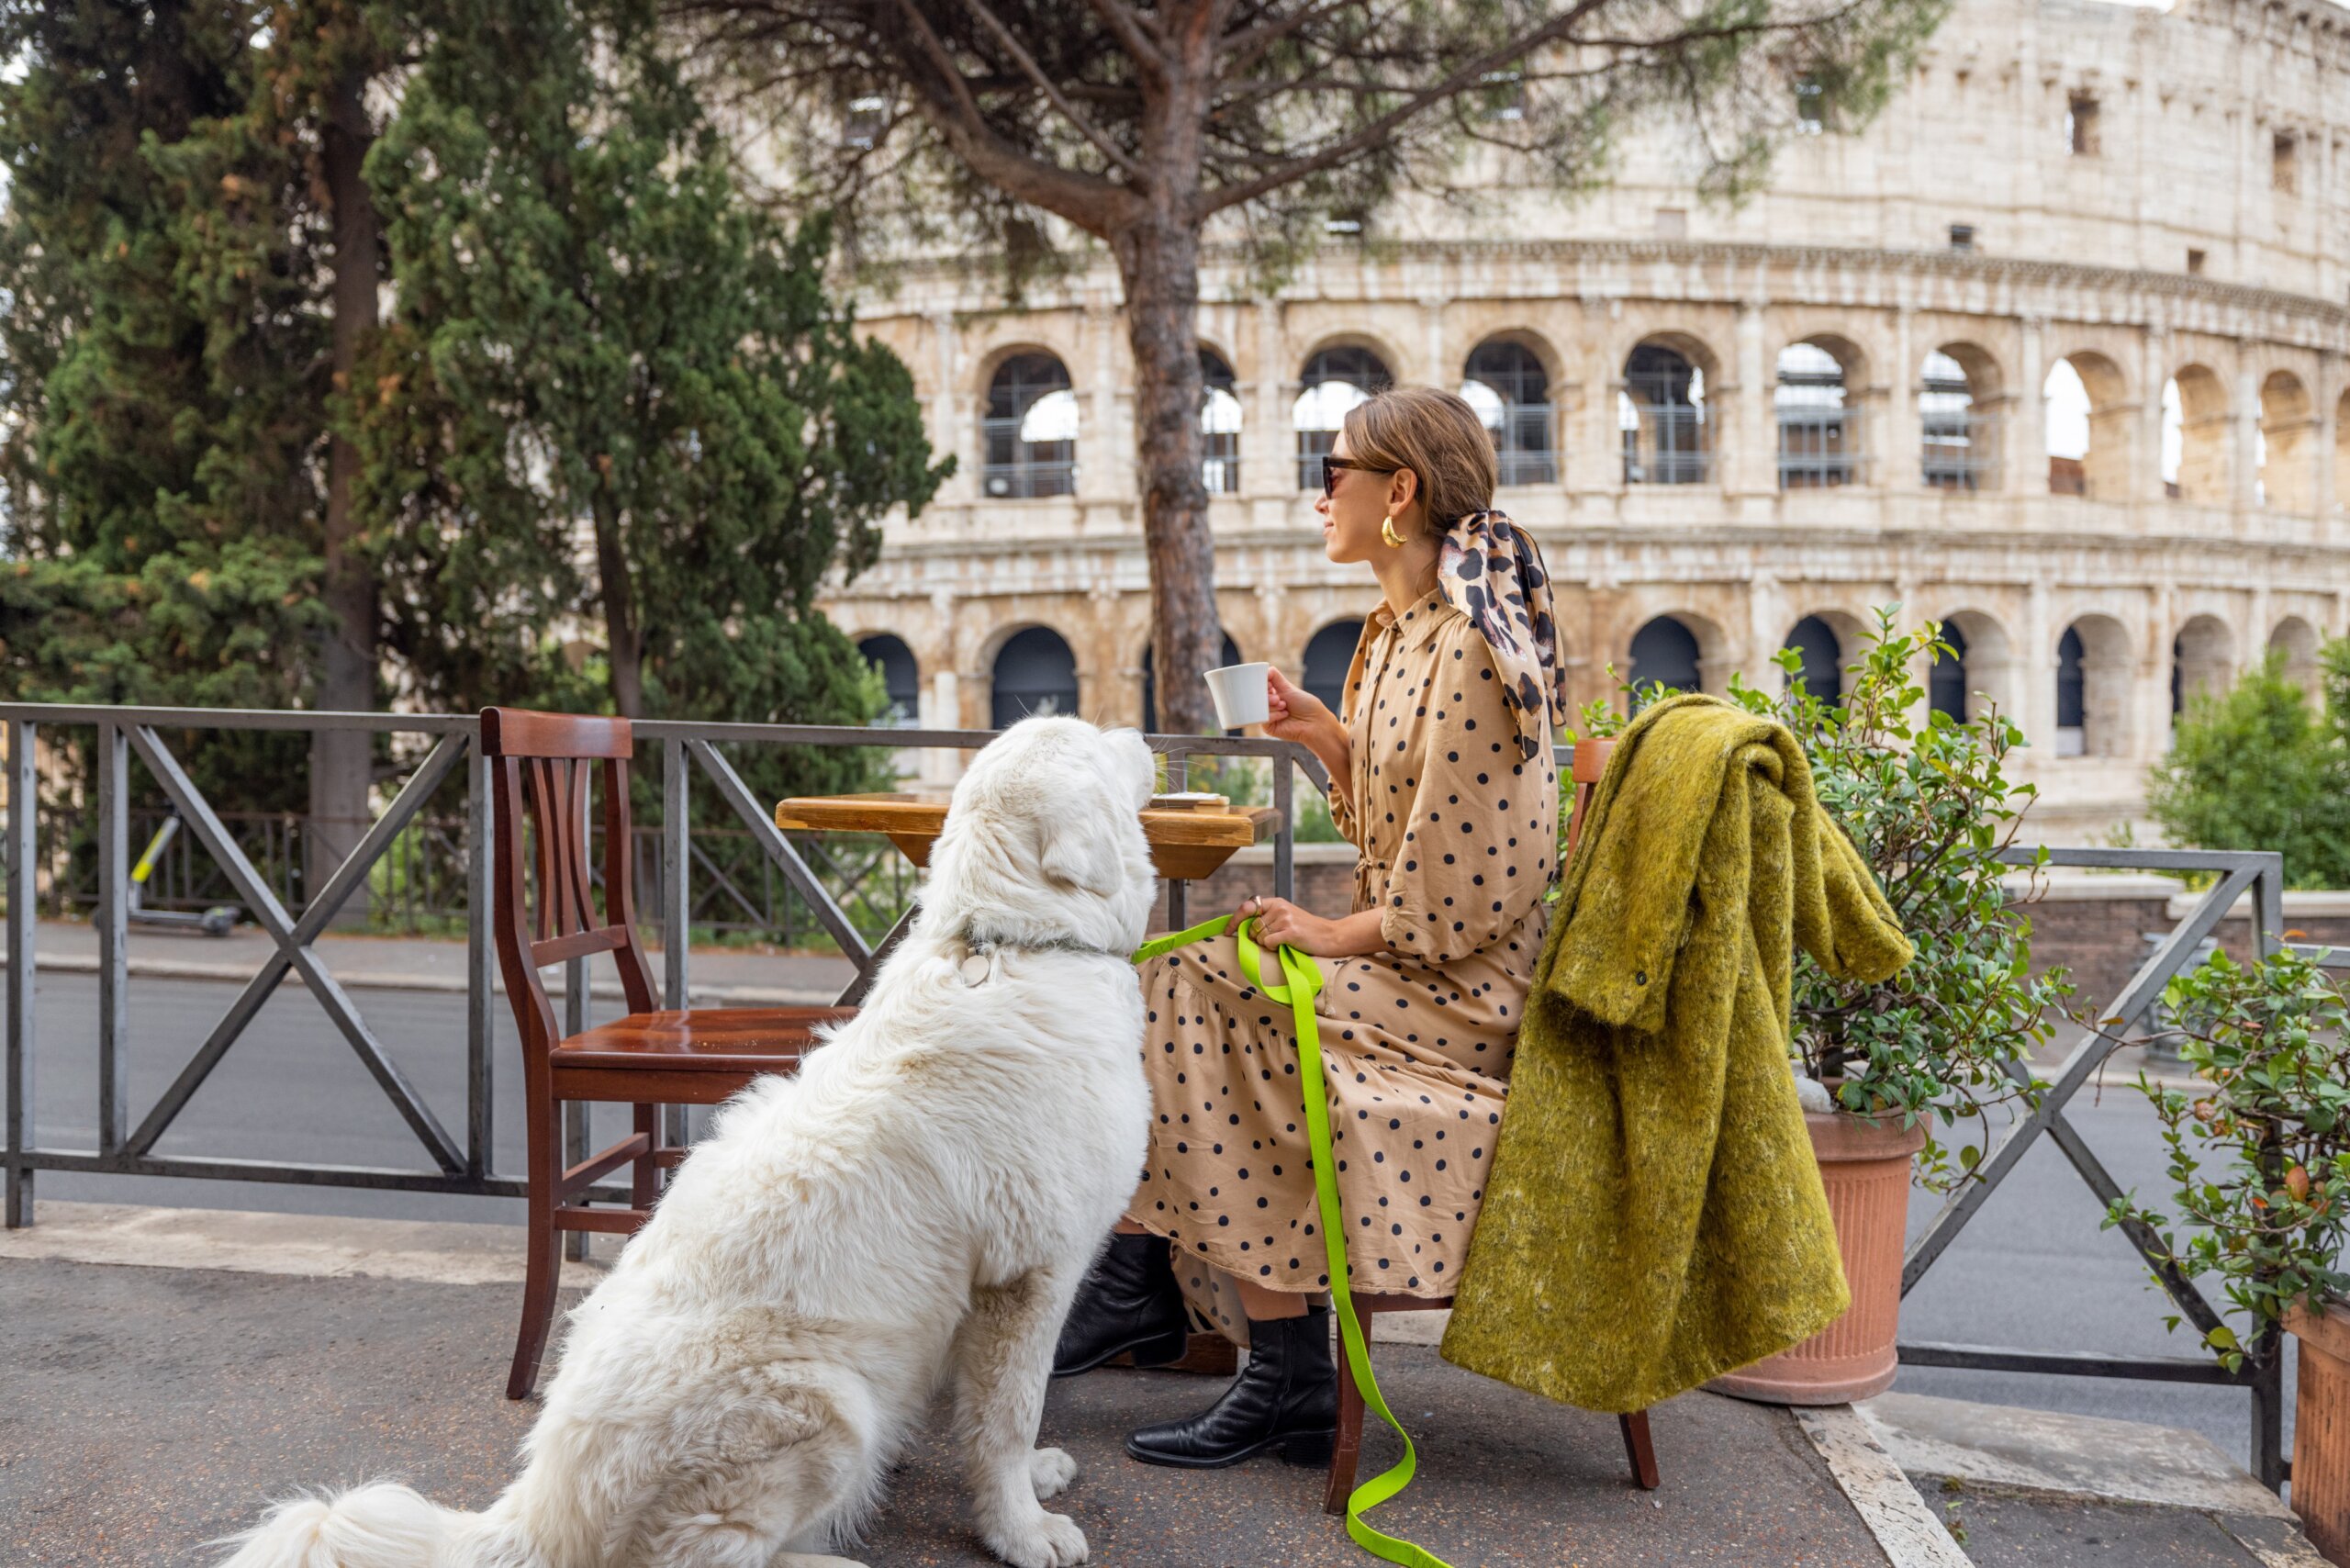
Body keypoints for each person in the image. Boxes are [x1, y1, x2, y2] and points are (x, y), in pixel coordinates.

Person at [1054, 385, 1571, 1469]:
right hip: (1421, 970)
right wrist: (1332, 744)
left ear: (1401, 491)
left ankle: (1170, 1297)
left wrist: (1330, 939)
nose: (1317, 494)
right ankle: (1229, 1336)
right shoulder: (1392, 634)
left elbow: (1465, 893)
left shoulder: (1468, 649)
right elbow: (1401, 830)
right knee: (1195, 984)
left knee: (1202, 988)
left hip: (1464, 1000)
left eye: (1330, 471)